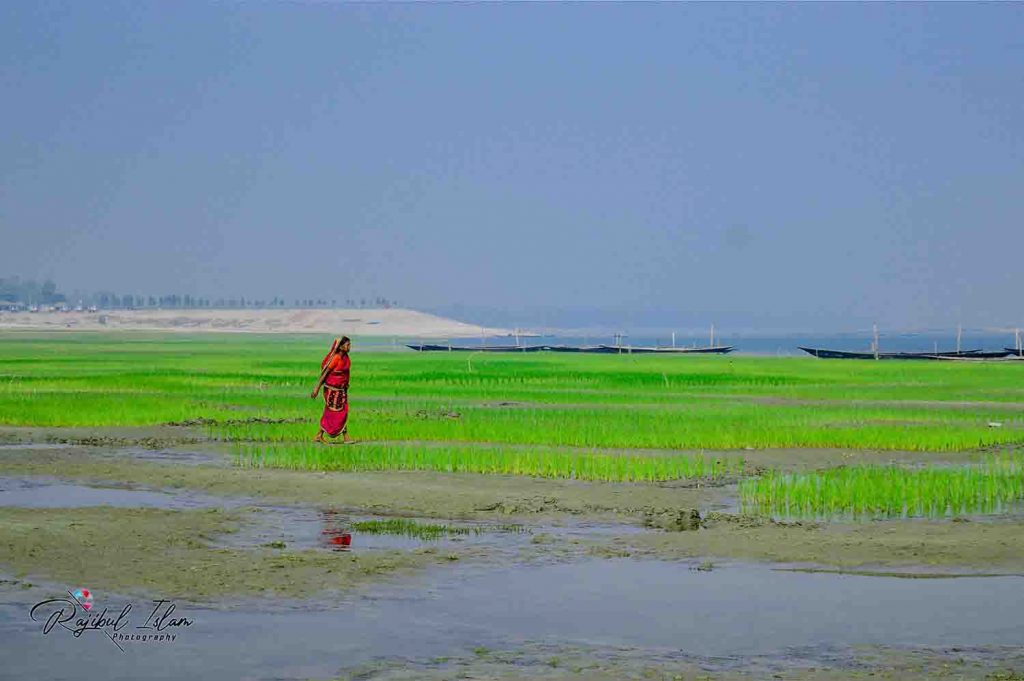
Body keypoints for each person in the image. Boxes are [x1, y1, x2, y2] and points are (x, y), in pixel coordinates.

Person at [311, 336, 353, 444]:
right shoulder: (336, 359)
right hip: (332, 391)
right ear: (341, 347)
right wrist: (317, 388)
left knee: (342, 412)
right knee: (333, 413)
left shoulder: (345, 358)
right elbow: (325, 374)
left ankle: (342, 436)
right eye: (347, 345)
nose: (349, 347)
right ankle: (321, 435)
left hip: (341, 390)